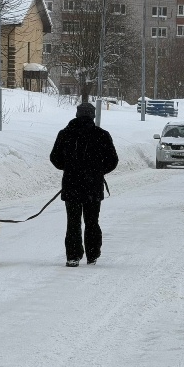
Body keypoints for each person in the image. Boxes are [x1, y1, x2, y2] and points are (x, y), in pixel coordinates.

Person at [49, 101, 119, 267]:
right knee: (92, 221)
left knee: (73, 222)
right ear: (93, 116)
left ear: (77, 115)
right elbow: (113, 160)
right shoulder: (102, 135)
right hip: (93, 187)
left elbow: (55, 158)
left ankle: (73, 256)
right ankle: (92, 254)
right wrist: (98, 171)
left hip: (71, 185)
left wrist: (69, 167)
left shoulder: (65, 134)